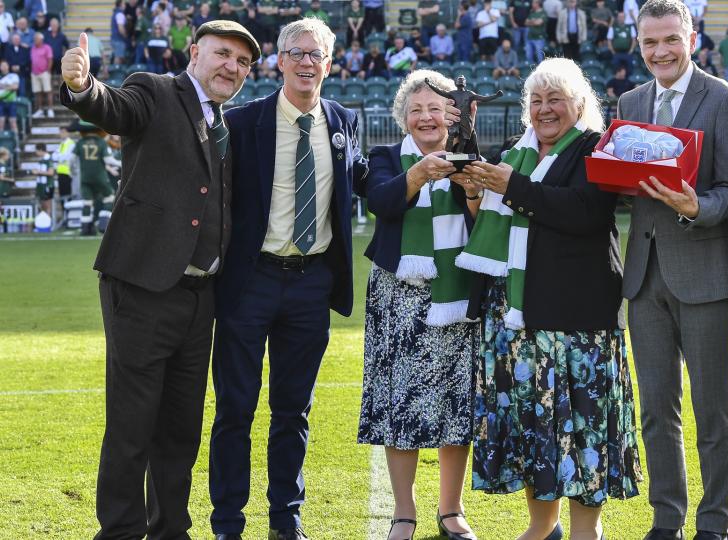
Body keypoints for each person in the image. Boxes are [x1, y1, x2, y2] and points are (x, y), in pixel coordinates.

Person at [59, 20, 259, 539]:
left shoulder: (225, 122)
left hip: (200, 297)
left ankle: (171, 530)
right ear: (194, 53)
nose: (231, 67)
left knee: (180, 429)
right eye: (223, 54)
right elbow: (112, 107)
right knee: (132, 424)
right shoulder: (155, 90)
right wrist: (83, 87)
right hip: (144, 288)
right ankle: (121, 532)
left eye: (241, 62)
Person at [456, 56, 643, 540]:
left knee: (585, 430)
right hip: (516, 321)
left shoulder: (595, 148)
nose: (544, 109)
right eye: (536, 100)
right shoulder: (515, 151)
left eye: (555, 99)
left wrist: (509, 186)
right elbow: (486, 228)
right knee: (533, 428)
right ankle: (543, 527)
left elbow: (584, 211)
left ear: (580, 104)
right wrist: (476, 194)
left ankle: (587, 531)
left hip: (578, 320)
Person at [209, 18, 369, 540]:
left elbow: (369, 180)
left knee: (293, 412)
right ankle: (228, 522)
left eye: (315, 54)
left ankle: (286, 520)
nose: (305, 62)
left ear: (330, 62)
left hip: (309, 285)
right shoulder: (245, 121)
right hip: (250, 280)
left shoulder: (343, 120)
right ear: (278, 61)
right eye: (295, 52)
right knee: (235, 408)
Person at [617, 0, 728, 538]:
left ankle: (714, 522)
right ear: (639, 45)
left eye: (670, 39)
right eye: (650, 42)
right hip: (644, 278)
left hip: (706, 276)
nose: (660, 51)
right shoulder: (630, 100)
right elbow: (629, 183)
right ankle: (666, 519)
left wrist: (697, 208)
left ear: (691, 39)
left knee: (713, 411)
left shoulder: (724, 100)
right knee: (655, 411)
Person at [357, 69, 482, 540]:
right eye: (416, 109)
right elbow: (383, 204)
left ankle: (451, 511)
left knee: (457, 403)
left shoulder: (470, 157)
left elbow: (481, 221)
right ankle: (404, 513)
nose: (426, 116)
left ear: (451, 115)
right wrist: (419, 173)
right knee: (399, 404)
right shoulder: (386, 158)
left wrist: (469, 184)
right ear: (403, 119)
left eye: (436, 108)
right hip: (398, 299)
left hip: (458, 293)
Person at [74, 123, 113, 235]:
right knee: (109, 197)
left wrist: (73, 171)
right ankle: (103, 224)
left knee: (87, 202)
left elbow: (71, 159)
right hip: (100, 177)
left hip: (85, 177)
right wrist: (121, 164)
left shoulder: (80, 142)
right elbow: (108, 160)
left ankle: (85, 229)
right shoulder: (101, 142)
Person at [31, 32, 54, 118]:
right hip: (34, 73)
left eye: (36, 39)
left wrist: (48, 71)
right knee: (38, 92)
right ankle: (40, 110)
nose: (35, 40)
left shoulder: (47, 47)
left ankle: (50, 110)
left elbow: (50, 59)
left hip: (44, 72)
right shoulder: (33, 48)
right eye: (34, 39)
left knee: (48, 91)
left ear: (41, 40)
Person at [0, 60, 18, 139]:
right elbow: (12, 87)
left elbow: (15, 87)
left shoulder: (14, 76)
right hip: (1, 102)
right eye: (2, 65)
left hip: (12, 102)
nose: (4, 67)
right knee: (1, 123)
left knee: (13, 123)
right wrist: (9, 86)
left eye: (5, 65)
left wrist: (3, 86)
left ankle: (16, 144)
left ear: (8, 66)